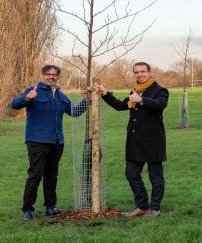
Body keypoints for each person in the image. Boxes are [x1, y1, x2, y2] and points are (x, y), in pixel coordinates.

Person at [11, 64, 90, 221]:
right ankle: (28, 209)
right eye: (48, 74)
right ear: (42, 75)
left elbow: (75, 112)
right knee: (35, 175)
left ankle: (50, 207)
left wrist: (87, 100)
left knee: (52, 176)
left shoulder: (61, 96)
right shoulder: (33, 91)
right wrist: (27, 98)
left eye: (54, 75)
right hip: (37, 141)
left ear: (58, 77)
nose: (51, 77)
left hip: (57, 142)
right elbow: (14, 104)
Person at [98, 61, 169, 217]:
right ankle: (142, 206)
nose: (140, 75)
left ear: (150, 72)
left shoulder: (160, 90)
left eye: (143, 71)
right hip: (135, 142)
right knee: (131, 173)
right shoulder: (135, 91)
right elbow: (119, 106)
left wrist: (142, 100)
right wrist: (105, 93)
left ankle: (154, 208)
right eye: (136, 72)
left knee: (155, 176)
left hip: (153, 141)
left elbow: (160, 105)